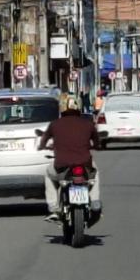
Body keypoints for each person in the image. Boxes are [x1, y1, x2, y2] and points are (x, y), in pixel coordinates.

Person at [39, 94, 102, 224]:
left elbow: (43, 140)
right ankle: (95, 200)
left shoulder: (54, 124)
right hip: (85, 164)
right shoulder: (88, 124)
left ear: (62, 107)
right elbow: (97, 142)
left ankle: (53, 207)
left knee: (48, 174)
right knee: (94, 174)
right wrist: (95, 146)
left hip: (62, 166)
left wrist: (43, 146)